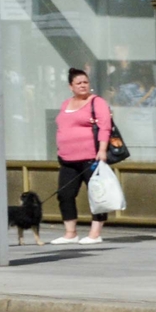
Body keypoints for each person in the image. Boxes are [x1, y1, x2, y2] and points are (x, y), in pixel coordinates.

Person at [51, 67, 111, 246]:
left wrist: (102, 150)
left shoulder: (96, 102)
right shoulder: (65, 104)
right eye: (79, 83)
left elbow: (105, 127)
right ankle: (70, 232)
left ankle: (95, 233)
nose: (83, 86)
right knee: (65, 194)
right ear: (71, 86)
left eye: (86, 82)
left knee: (97, 195)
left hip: (90, 157)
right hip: (67, 158)